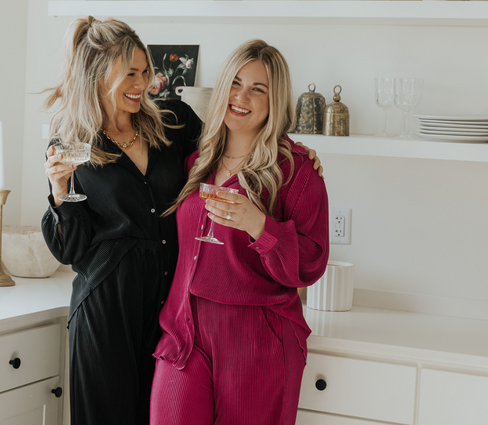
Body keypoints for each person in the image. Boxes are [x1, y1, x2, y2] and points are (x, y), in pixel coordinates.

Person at [41, 17, 323, 425]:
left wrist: (294, 150)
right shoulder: (71, 143)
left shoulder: (173, 122)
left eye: (146, 71)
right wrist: (58, 189)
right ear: (99, 77)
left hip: (168, 311)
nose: (143, 83)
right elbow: (70, 249)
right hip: (108, 312)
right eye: (130, 74)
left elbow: (232, 143)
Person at [150, 39, 329, 425]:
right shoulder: (197, 161)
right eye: (235, 82)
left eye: (257, 88)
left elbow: (312, 262)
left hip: (258, 341)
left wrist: (258, 225)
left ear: (275, 100)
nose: (241, 95)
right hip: (185, 332)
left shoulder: (296, 172)